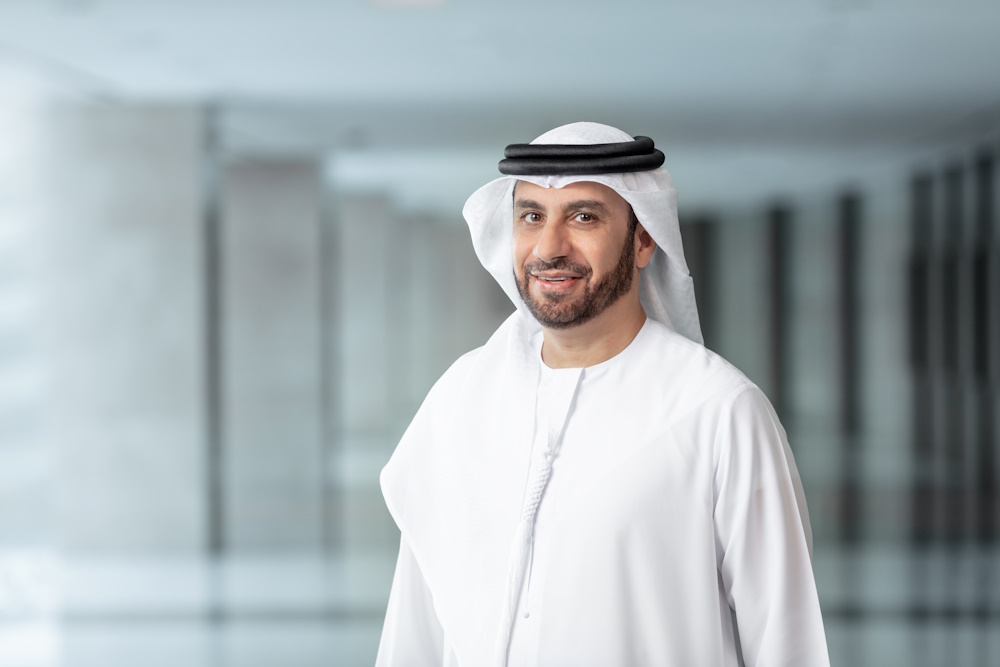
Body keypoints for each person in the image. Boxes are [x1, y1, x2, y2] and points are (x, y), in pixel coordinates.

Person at [375, 122, 830, 667]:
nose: (549, 247)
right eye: (532, 216)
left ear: (644, 239)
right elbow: (414, 629)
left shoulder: (719, 410)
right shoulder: (459, 400)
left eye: (583, 217)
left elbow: (786, 642)